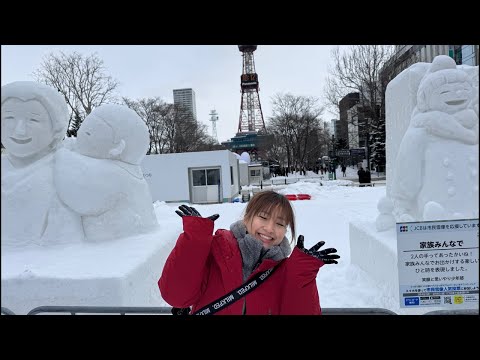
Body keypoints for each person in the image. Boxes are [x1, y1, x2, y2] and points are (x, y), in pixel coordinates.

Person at [158, 190, 340, 315]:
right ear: (247, 218)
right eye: (263, 217)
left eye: (279, 223)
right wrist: (194, 241)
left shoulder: (286, 271)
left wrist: (302, 273)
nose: (270, 228)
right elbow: (176, 296)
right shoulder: (216, 249)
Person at [54, 104, 159, 242]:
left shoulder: (112, 175)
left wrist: (60, 154)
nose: (79, 135)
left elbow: (75, 193)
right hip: (129, 239)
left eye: (88, 134)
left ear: (117, 148)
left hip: (112, 247)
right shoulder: (129, 171)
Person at [1, 81, 83, 246]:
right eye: (9, 118)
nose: (20, 130)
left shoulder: (64, 172)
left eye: (33, 120)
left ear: (55, 127)